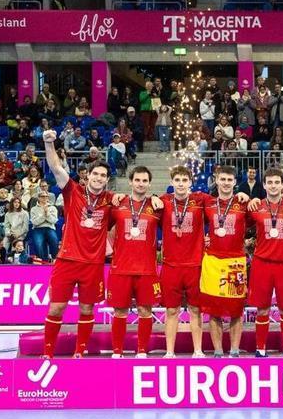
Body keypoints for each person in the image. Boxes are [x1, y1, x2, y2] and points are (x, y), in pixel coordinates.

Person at [40, 129, 114, 359]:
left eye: (103, 175)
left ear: (107, 179)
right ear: (87, 175)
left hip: (92, 264)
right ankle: (48, 352)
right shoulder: (73, 191)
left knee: (86, 309)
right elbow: (55, 167)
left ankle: (79, 352)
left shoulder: (111, 200)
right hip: (67, 260)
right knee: (57, 308)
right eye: (95, 174)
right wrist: (48, 143)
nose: (99, 178)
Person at [160, 166, 216, 358]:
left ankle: (198, 350)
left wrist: (242, 193)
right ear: (172, 182)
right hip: (170, 265)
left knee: (195, 309)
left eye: (185, 180)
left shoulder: (201, 200)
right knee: (171, 310)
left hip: (195, 265)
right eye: (177, 180)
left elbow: (225, 199)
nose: (181, 184)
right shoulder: (163, 201)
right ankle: (169, 351)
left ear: (190, 183)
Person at [108, 167, 162, 358]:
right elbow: (102, 228)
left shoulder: (157, 206)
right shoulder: (118, 203)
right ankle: (117, 351)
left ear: (149, 184)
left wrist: (157, 197)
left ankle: (141, 351)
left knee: (144, 310)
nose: (141, 184)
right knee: (120, 311)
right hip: (121, 268)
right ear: (130, 182)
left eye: (144, 181)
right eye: (137, 180)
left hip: (146, 269)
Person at [247, 169, 283, 358]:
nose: (273, 186)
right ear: (264, 185)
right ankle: (260, 348)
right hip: (262, 263)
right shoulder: (256, 207)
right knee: (263, 308)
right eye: (269, 182)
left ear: (282, 184)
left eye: (276, 182)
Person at [200, 165, 249, 357]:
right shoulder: (208, 203)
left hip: (235, 262)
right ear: (216, 180)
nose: (226, 183)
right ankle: (218, 351)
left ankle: (235, 350)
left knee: (236, 310)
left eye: (230, 180)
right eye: (223, 179)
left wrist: (250, 197)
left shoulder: (243, 203)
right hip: (212, 262)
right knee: (214, 311)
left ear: (235, 182)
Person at [29, 191, 59, 261]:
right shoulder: (34, 209)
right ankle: (42, 260)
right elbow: (35, 222)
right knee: (38, 242)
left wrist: (47, 213)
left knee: (54, 239)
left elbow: (54, 221)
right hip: (38, 228)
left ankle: (54, 258)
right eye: (43, 196)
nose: (45, 198)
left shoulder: (53, 208)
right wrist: (44, 215)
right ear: (39, 198)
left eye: (46, 196)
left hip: (50, 227)